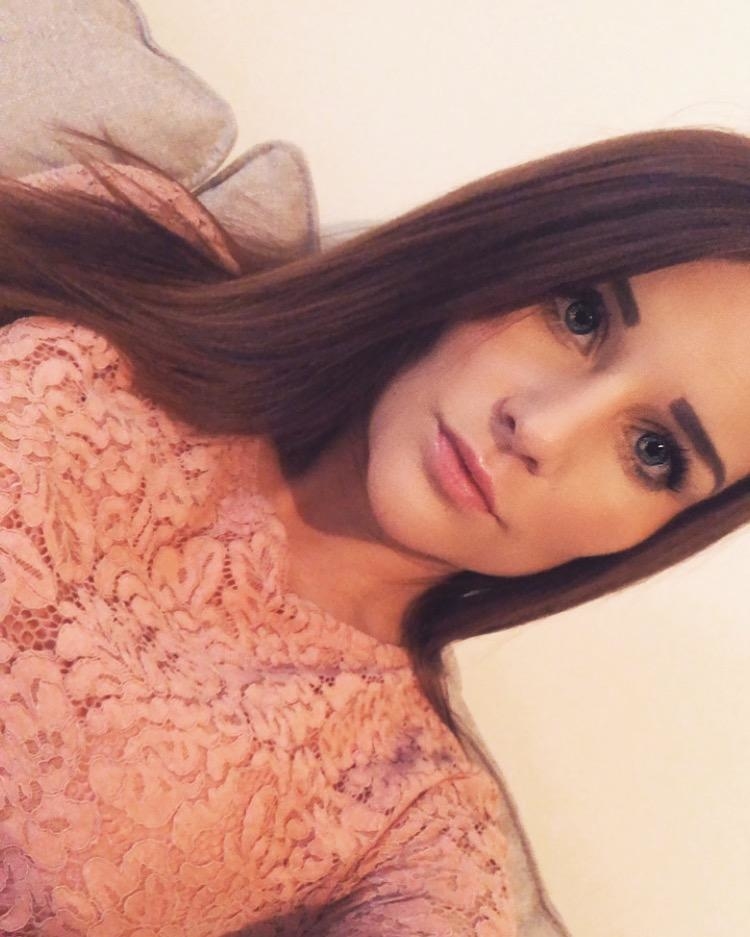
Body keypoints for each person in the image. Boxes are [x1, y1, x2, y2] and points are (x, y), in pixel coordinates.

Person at [1, 126, 750, 936]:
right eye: (580, 314)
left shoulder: (414, 825)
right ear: (513, 247)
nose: (541, 428)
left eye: (653, 451)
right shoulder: (146, 245)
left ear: (655, 531)